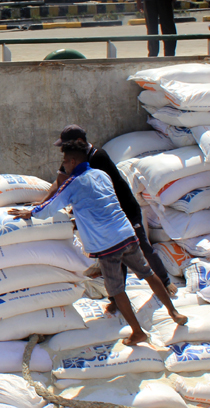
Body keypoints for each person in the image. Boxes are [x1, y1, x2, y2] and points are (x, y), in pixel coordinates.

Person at [10, 139, 186, 346]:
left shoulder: (72, 185)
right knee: (147, 273)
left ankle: (137, 331)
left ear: (74, 161)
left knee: (116, 290)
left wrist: (30, 212)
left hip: (107, 245)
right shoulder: (101, 175)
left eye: (65, 161)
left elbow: (50, 207)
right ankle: (174, 313)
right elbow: (98, 203)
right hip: (126, 234)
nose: (63, 165)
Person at [41, 125, 175, 311]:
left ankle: (165, 282)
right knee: (115, 256)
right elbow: (61, 182)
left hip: (124, 209)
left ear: (79, 143)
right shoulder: (73, 157)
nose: (65, 157)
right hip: (107, 217)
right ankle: (116, 300)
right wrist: (42, 203)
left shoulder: (98, 157)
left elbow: (95, 189)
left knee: (142, 247)